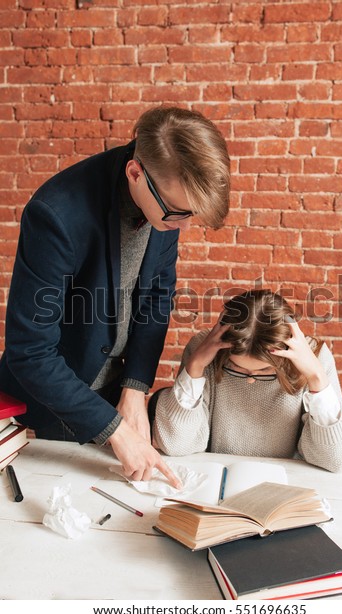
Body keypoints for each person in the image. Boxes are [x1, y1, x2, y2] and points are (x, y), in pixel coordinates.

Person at [0, 106, 230, 484]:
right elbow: (30, 351)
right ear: (135, 173)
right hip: (47, 410)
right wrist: (116, 430)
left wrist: (136, 388)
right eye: (177, 215)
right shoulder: (55, 213)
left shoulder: (165, 198)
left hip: (115, 395)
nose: (183, 227)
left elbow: (157, 295)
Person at [152, 289, 342, 473]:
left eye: (265, 371)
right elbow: (175, 443)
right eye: (237, 368)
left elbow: (336, 460)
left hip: (287, 483)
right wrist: (195, 366)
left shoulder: (313, 358)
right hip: (215, 477)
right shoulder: (206, 348)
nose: (250, 380)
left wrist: (317, 378)